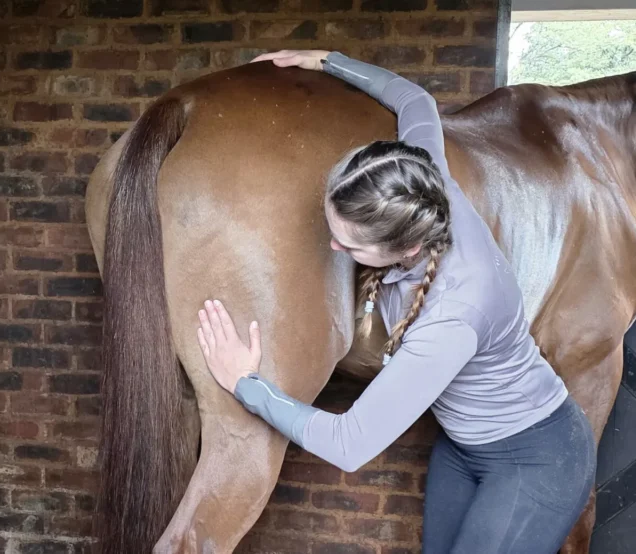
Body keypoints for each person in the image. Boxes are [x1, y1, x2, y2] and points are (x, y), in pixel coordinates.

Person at [194, 49, 596, 553]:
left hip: (536, 457)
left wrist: (245, 384)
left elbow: (349, 443)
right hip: (462, 446)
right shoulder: (425, 186)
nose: (337, 249)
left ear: (406, 248)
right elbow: (415, 100)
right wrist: (326, 60)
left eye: (352, 246)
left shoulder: (456, 309)